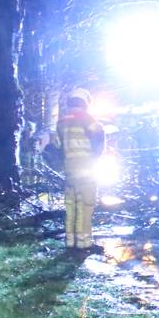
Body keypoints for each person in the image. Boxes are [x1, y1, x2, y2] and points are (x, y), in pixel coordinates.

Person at [53, 88, 105, 251]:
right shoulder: (87, 119)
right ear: (85, 103)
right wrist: (95, 157)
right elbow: (99, 139)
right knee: (86, 203)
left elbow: (57, 147)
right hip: (86, 168)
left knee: (71, 204)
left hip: (69, 169)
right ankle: (84, 243)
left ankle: (70, 241)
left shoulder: (61, 122)